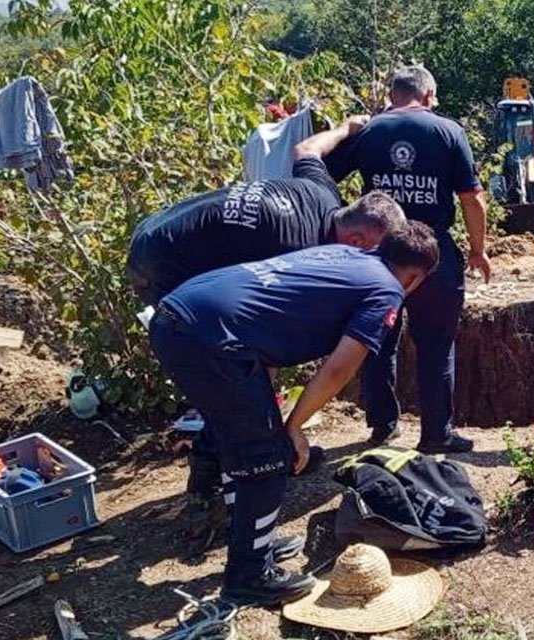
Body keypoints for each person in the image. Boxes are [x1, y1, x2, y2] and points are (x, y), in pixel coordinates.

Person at [150, 222, 440, 605]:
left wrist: (272, 409)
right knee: (267, 456)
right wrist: (293, 427)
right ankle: (249, 577)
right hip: (210, 339)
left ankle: (254, 545)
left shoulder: (346, 255)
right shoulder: (387, 290)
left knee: (241, 439)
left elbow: (268, 313)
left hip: (180, 315)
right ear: (415, 278)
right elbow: (340, 369)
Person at [349, 65, 493, 454]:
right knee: (436, 343)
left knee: (375, 338)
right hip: (432, 250)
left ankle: (383, 425)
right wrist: (478, 250)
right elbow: (471, 197)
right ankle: (435, 434)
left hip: (379, 251)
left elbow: (320, 173)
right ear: (428, 95)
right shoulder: (447, 131)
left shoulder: (370, 131)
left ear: (392, 94)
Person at [127, 116, 402, 307]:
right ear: (356, 241)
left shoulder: (323, 191)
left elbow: (306, 149)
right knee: (198, 338)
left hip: (155, 224)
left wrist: (345, 129)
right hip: (159, 261)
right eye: (374, 252)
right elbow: (264, 319)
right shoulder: (303, 251)